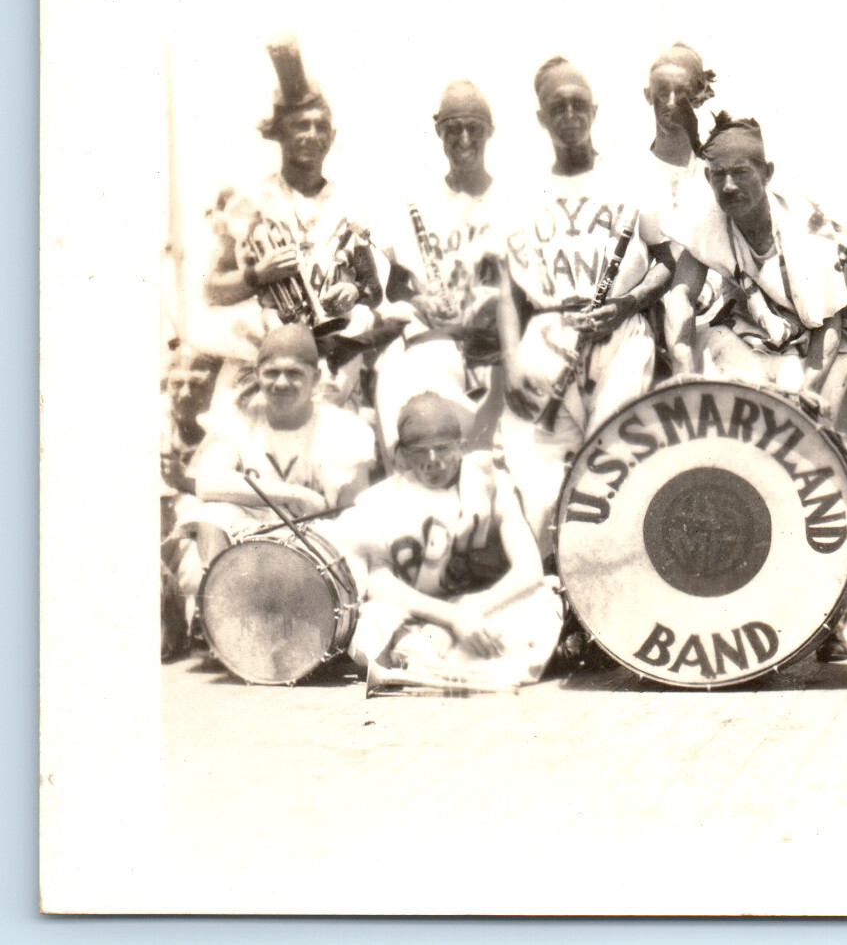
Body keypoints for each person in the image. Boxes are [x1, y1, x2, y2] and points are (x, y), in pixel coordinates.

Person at [494, 56, 673, 560]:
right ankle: (554, 593)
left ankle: (608, 588)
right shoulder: (519, 191)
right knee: (540, 479)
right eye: (557, 107)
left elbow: (667, 263)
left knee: (613, 466)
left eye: (578, 104)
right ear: (541, 119)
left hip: (618, 333)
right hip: (548, 331)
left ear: (593, 111)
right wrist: (509, 362)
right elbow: (508, 287)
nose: (569, 114)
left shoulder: (634, 177)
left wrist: (626, 303)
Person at [200, 35, 387, 413]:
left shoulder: (352, 203)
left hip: (329, 362)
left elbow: (374, 288)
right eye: (301, 126)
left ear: (332, 137)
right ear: (280, 133)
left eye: (322, 127)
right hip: (258, 362)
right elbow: (213, 290)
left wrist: (353, 288)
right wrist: (258, 275)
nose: (312, 136)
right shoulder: (249, 201)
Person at [337, 393, 565, 691]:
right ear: (401, 454)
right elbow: (380, 584)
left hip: (485, 606)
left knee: (541, 604)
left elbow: (529, 569)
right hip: (421, 615)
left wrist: (470, 610)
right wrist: (452, 618)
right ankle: (473, 668)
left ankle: (423, 667)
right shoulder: (379, 501)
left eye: (443, 449)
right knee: (370, 626)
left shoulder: (492, 485)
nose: (434, 461)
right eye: (420, 451)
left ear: (462, 445)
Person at [661, 113, 847, 416]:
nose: (728, 186)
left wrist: (808, 387)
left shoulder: (807, 228)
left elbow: (831, 319)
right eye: (718, 174)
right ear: (707, 177)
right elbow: (681, 295)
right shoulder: (707, 218)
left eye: (740, 172)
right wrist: (681, 361)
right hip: (752, 335)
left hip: (819, 343)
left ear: (766, 173)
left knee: (797, 415)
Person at [372, 79, 505, 462]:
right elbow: (398, 286)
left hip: (492, 341)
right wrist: (420, 299)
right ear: (438, 132)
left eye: (473, 128)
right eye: (453, 129)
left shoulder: (511, 197)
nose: (464, 139)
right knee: (402, 393)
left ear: (489, 131)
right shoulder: (419, 199)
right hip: (436, 339)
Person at [183, 325, 377, 573]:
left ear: (315, 378)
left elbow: (353, 514)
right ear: (257, 374)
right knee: (212, 516)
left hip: (319, 546)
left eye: (294, 373)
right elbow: (208, 483)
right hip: (249, 539)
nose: (281, 383)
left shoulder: (345, 429)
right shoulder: (241, 417)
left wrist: (285, 535)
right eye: (272, 372)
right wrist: (296, 495)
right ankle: (217, 603)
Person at [634, 42, 724, 368]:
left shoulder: (719, 176)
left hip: (710, 321)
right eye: (661, 92)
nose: (671, 103)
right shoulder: (628, 173)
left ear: (698, 97)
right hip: (640, 323)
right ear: (648, 95)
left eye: (682, 93)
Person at [159, 343, 221, 659]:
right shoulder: (153, 424)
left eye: (196, 385)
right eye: (176, 383)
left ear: (214, 386)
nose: (184, 393)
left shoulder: (226, 432)